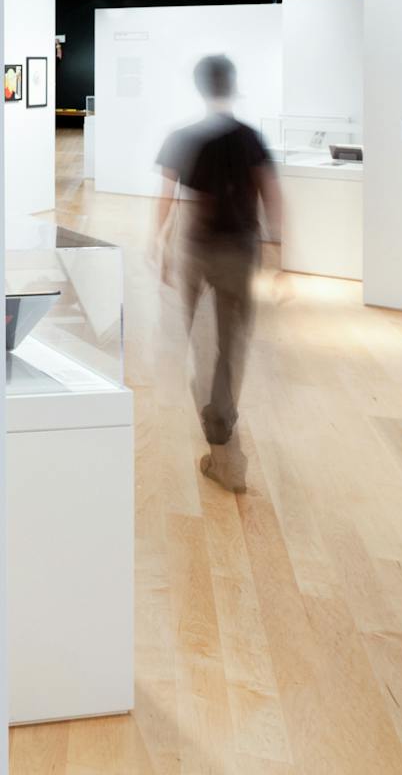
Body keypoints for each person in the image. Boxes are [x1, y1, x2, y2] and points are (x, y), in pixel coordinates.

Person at [152, 54, 283, 493]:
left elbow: (167, 197)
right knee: (231, 345)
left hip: (197, 248)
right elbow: (271, 194)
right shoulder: (251, 139)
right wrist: (277, 251)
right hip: (239, 250)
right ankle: (221, 422)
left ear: (200, 86)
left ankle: (219, 438)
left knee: (198, 345)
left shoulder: (185, 137)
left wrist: (160, 243)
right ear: (232, 84)